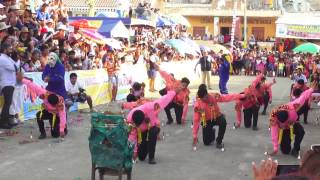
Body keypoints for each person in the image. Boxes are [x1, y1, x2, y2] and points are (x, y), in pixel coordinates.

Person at [127, 88, 180, 164]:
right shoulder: (130, 119)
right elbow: (132, 138)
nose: (138, 125)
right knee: (141, 157)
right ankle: (146, 146)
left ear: (144, 118)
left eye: (140, 123)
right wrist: (134, 152)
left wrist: (174, 92)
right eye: (137, 124)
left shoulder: (150, 107)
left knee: (153, 132)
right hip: (141, 133)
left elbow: (163, 100)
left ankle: (151, 157)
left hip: (152, 127)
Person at [193, 84, 245, 149]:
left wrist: (241, 95)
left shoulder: (214, 96)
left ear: (207, 94)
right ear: (200, 98)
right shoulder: (198, 104)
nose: (205, 99)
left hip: (217, 116)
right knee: (206, 142)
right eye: (203, 99)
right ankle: (212, 131)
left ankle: (219, 141)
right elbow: (196, 119)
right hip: (206, 120)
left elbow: (227, 97)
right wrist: (195, 134)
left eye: (206, 97)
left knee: (223, 121)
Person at [268, 86, 315, 157]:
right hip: (284, 129)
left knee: (301, 131)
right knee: (285, 151)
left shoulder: (293, 107)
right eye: (282, 123)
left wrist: (311, 89)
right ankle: (286, 142)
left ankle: (296, 149)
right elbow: (274, 133)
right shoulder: (273, 119)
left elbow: (303, 96)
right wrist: (275, 148)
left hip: (292, 123)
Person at [0, 43, 21, 129]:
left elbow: (16, 65)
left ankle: (6, 120)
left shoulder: (7, 58)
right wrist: (19, 60)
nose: (11, 50)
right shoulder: (2, 58)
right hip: (6, 83)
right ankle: (3, 123)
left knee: (8, 103)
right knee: (7, 103)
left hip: (10, 83)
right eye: (9, 49)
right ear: (5, 49)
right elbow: (15, 68)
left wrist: (17, 57)